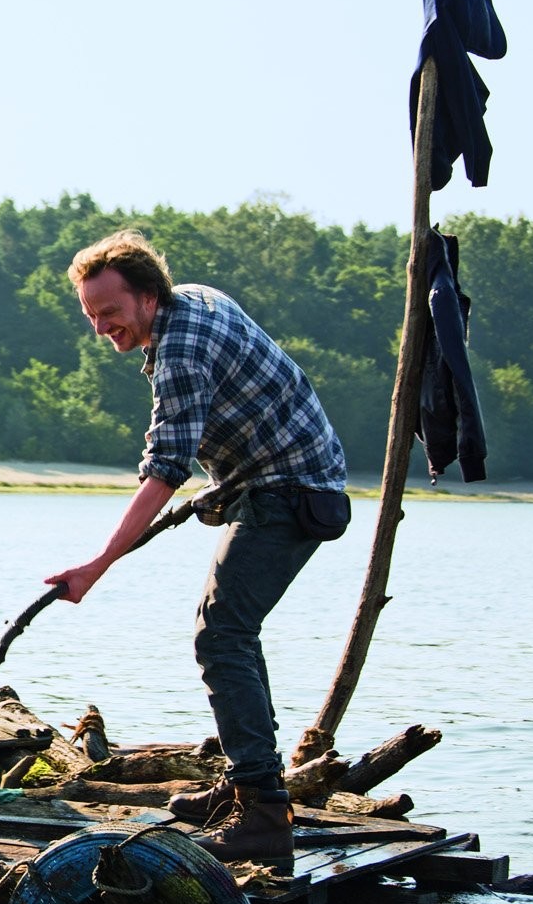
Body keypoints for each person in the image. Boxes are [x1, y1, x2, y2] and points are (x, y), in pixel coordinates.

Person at [44, 229, 349, 864]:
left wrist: (96, 567)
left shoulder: (178, 351)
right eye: (91, 315)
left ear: (148, 297)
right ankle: (246, 785)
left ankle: (265, 813)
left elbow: (163, 468)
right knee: (231, 632)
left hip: (291, 491)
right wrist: (221, 487)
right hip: (275, 480)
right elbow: (247, 404)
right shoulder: (196, 299)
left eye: (111, 312)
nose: (102, 327)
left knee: (223, 635)